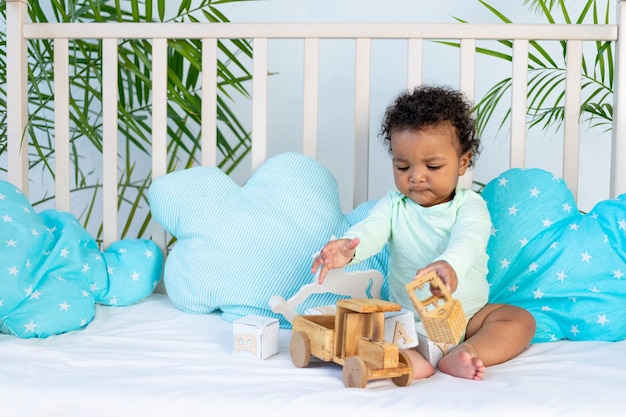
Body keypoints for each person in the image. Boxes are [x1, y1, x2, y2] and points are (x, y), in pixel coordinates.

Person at [311, 85, 536, 381]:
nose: (416, 176)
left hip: (469, 318)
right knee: (375, 333)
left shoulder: (469, 206)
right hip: (409, 322)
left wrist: (449, 265)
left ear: (463, 162)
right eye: (402, 166)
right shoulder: (393, 206)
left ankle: (466, 352)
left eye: (432, 165)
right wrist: (350, 248)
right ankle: (408, 359)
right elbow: (371, 230)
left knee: (519, 320)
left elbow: (468, 240)